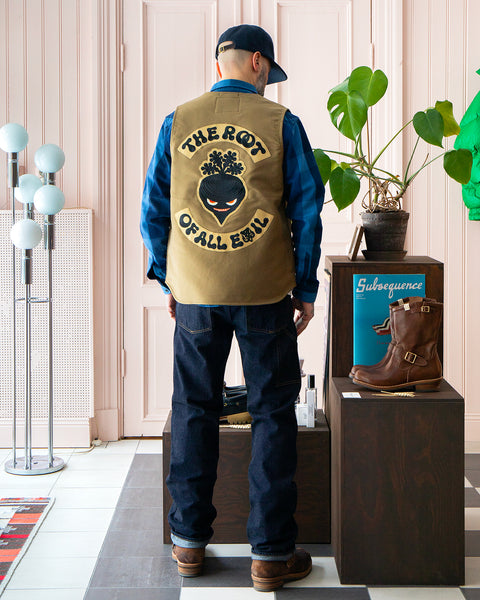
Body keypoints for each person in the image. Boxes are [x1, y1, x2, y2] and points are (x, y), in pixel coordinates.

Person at [140, 24, 324, 592]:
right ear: (258, 64)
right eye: (270, 73)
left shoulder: (178, 121)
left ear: (222, 63)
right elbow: (307, 209)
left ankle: (189, 545)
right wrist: (306, 287)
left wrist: (170, 278)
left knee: (194, 408)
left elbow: (154, 209)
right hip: (265, 291)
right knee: (272, 412)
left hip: (196, 290)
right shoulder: (281, 123)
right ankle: (270, 555)